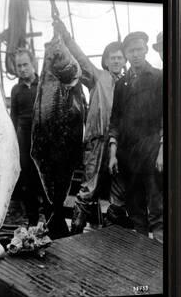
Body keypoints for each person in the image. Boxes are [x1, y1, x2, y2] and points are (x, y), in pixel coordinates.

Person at [53, 19, 128, 234]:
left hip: (119, 144)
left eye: (119, 58)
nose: (116, 61)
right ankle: (76, 230)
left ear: (124, 60)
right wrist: (65, 35)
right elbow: (81, 58)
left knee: (118, 189)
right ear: (105, 61)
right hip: (97, 141)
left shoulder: (127, 83)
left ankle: (112, 233)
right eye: (112, 58)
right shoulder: (97, 77)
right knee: (89, 187)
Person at [108, 31, 163, 243]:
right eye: (131, 51)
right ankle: (142, 256)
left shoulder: (159, 77)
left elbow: (165, 118)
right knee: (135, 208)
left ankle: (159, 256)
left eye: (139, 49)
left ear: (146, 50)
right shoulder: (122, 85)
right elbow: (115, 121)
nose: (136, 54)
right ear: (126, 54)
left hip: (151, 154)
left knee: (157, 208)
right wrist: (113, 155)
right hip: (128, 156)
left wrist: (161, 152)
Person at [9, 48, 48, 227]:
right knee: (28, 181)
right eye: (19, 66)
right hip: (24, 139)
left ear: (34, 64)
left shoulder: (45, 85)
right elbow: (14, 118)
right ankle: (32, 221)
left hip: (43, 137)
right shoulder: (16, 90)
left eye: (25, 64)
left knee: (46, 181)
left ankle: (51, 219)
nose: (23, 69)